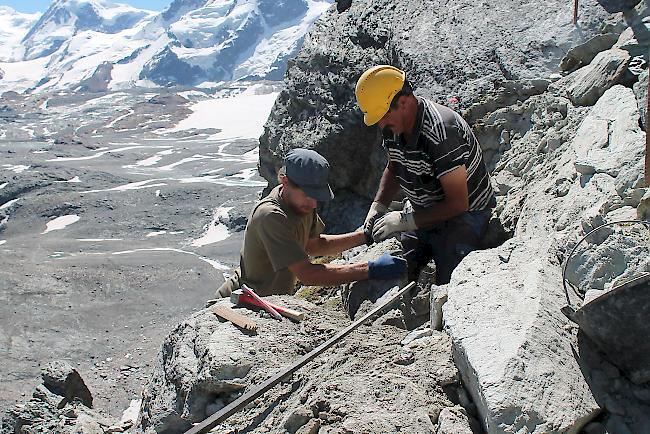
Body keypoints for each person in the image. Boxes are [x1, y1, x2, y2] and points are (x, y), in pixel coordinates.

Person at [356, 65, 495, 284]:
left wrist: (405, 220)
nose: (381, 123)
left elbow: (459, 204)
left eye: (383, 116)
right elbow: (394, 167)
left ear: (403, 102)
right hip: (424, 209)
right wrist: (378, 206)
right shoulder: (394, 126)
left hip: (466, 214)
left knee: (451, 279)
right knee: (397, 266)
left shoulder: (442, 131)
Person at [211, 148, 406, 301]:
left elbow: (315, 245)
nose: (314, 204)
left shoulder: (300, 203)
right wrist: (370, 269)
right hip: (240, 302)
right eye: (308, 195)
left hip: (269, 301)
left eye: (317, 196)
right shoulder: (271, 215)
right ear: (285, 181)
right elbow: (308, 274)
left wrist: (365, 236)